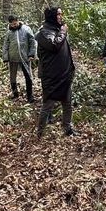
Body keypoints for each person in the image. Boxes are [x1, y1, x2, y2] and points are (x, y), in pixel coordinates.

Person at [36, 7, 76, 137]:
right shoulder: (43, 33)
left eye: (61, 13)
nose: (60, 16)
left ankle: (68, 128)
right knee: (48, 105)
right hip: (51, 76)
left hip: (64, 74)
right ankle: (40, 132)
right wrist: (63, 32)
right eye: (58, 14)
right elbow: (54, 45)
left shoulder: (58, 29)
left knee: (67, 103)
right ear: (52, 16)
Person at [2, 15, 37, 102]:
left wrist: (32, 54)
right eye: (12, 24)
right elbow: (6, 45)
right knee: (12, 77)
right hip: (13, 57)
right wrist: (5, 58)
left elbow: (32, 41)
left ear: (18, 21)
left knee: (28, 76)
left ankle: (30, 96)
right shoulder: (9, 32)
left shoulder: (26, 29)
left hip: (25, 57)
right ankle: (15, 94)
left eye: (15, 23)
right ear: (9, 23)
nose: (14, 25)